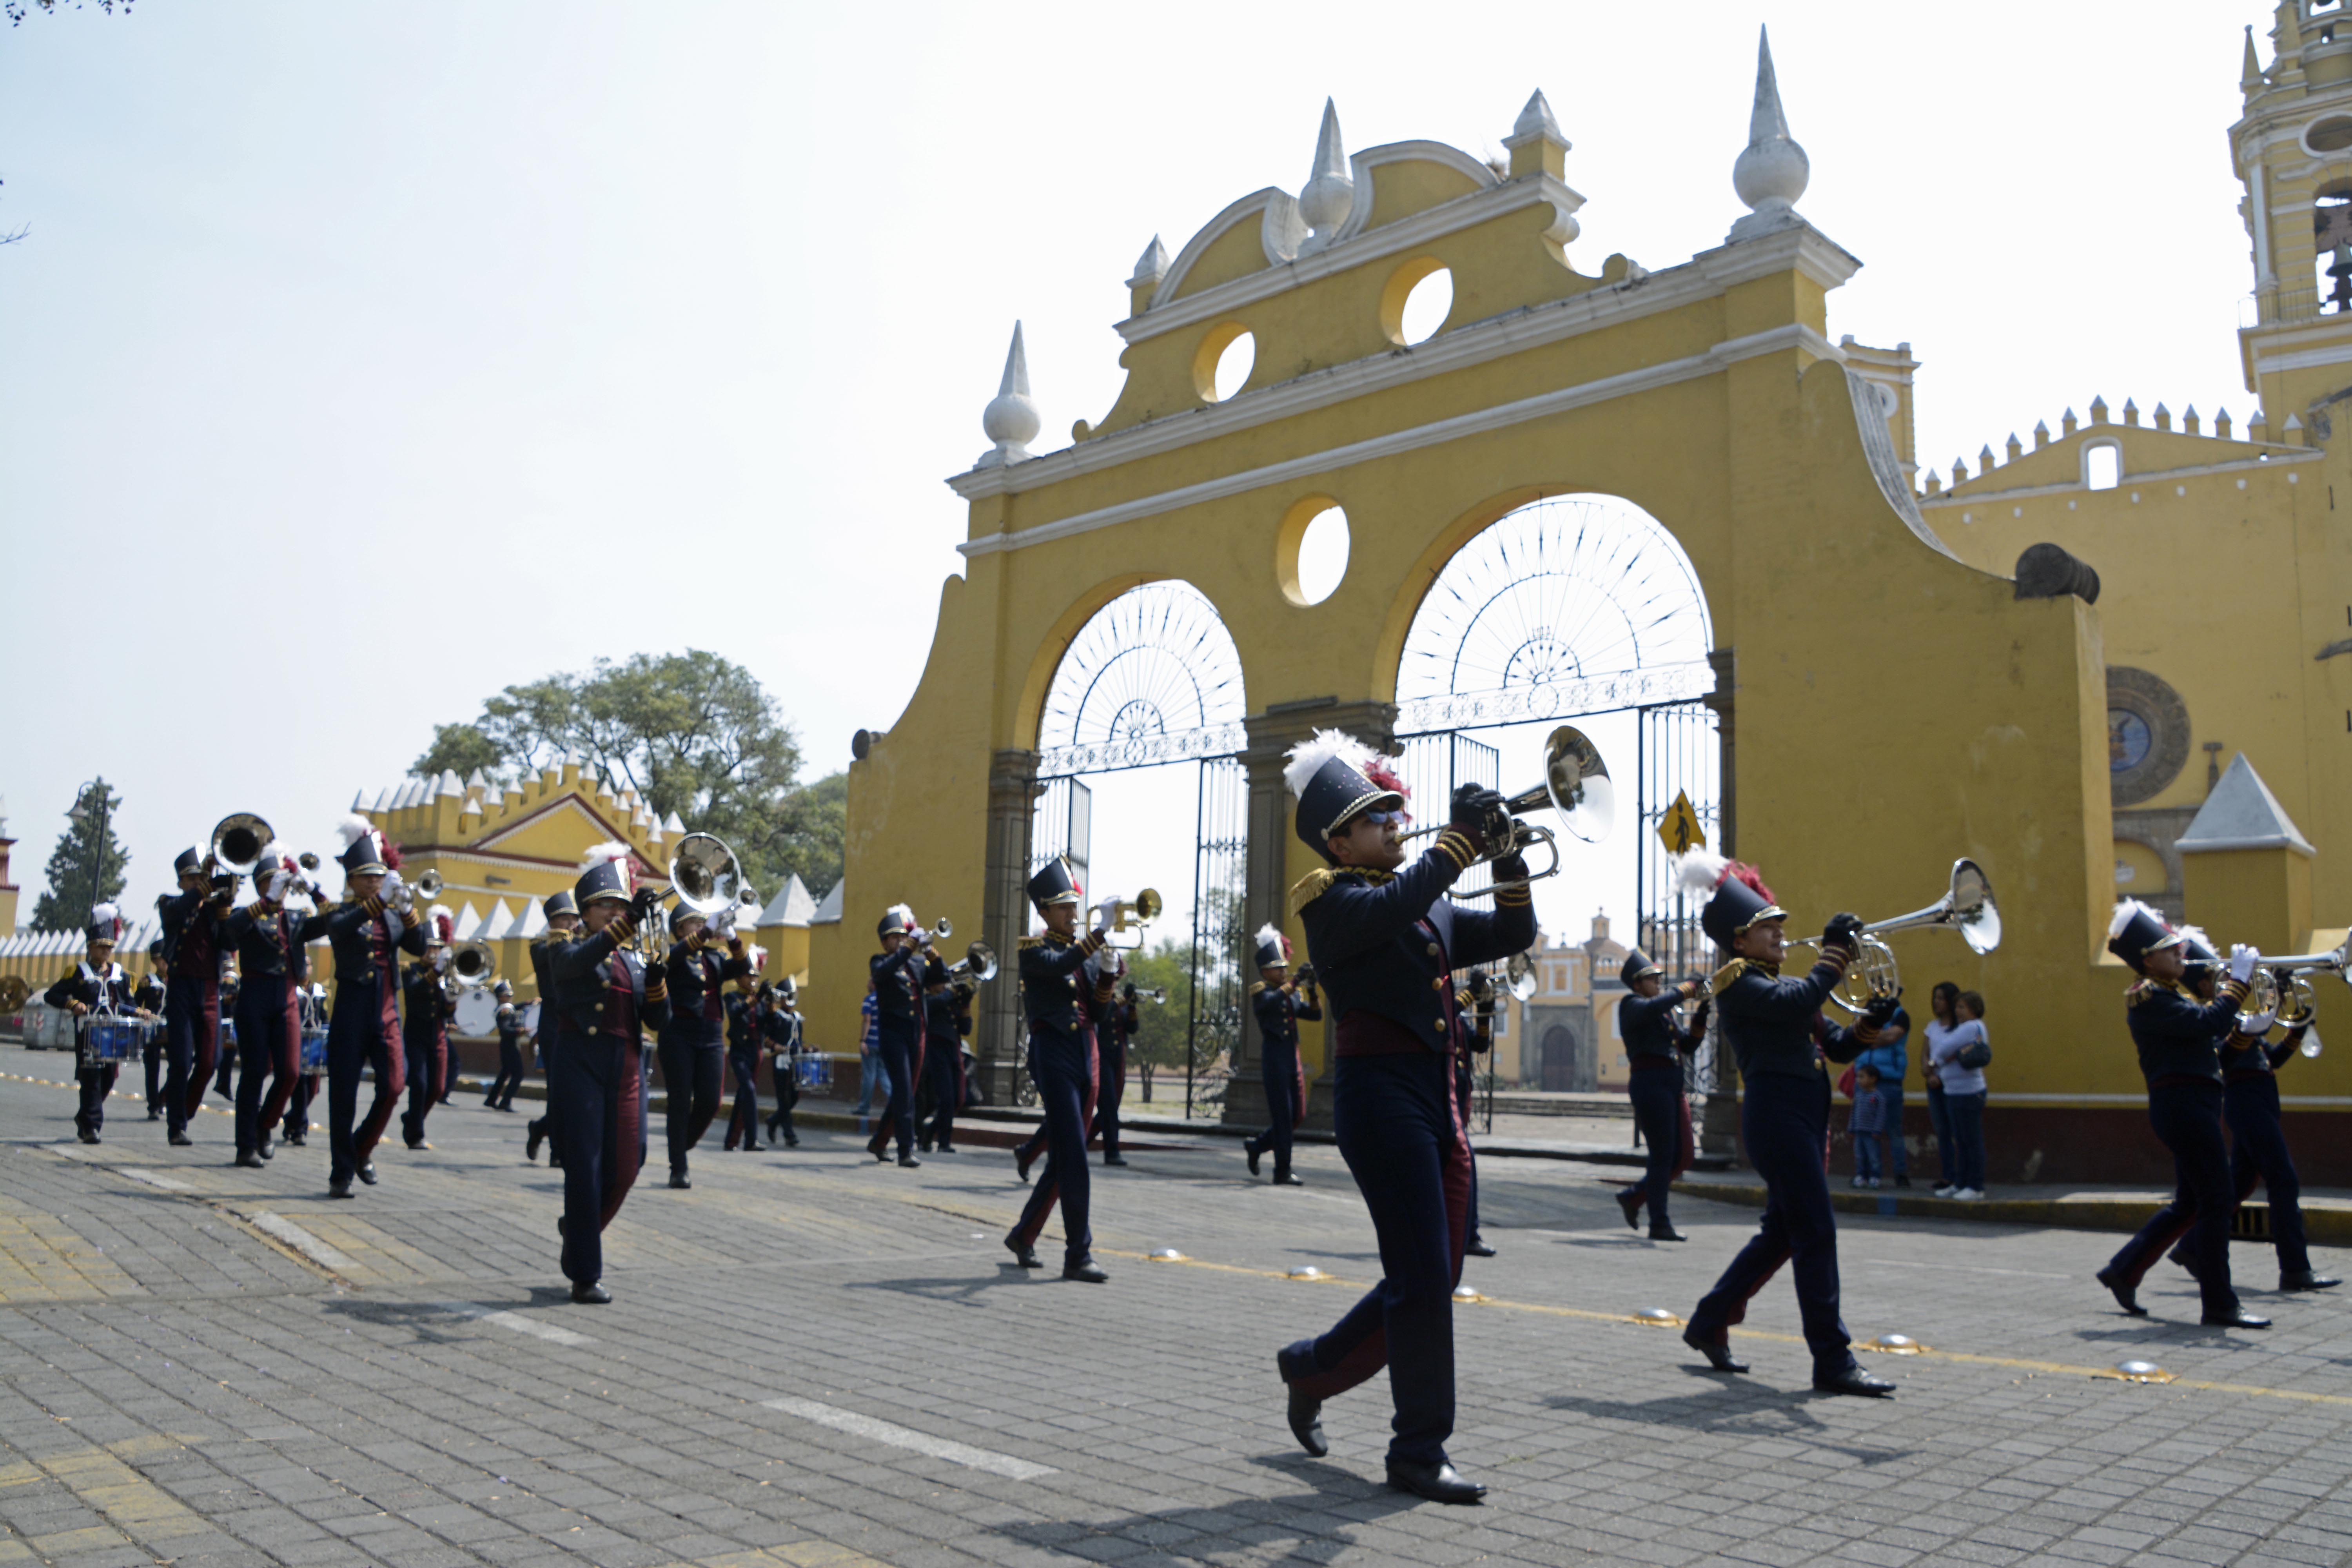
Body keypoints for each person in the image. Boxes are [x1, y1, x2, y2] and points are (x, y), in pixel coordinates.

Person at [1272, 731, 1535, 1505]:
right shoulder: (1334, 901)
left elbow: (1514, 934)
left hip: (1437, 1096)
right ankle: (1419, 1448)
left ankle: (1312, 1365)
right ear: (1337, 839)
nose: (1394, 822)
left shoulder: (1430, 906)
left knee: (1433, 1273)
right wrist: (1458, 841)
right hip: (1380, 1096)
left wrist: (1509, 854)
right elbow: (1394, 902)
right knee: (1423, 1278)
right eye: (1375, 815)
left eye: (1396, 811)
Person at [1675, 848, 1895, 1399]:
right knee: (1815, 1231)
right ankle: (1832, 1359)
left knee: (1783, 1234)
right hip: (1777, 1118)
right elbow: (1801, 995)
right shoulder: (1737, 984)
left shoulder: (1782, 986)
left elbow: (1840, 1047)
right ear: (1739, 942)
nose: (1778, 933)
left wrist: (1871, 1020)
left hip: (1802, 1115)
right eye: (1765, 928)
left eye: (1777, 926)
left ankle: (1709, 1322)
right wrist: (1833, 957)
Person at [2094, 902, 2270, 1328]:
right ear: (2147, 959)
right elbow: (2208, 1024)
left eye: (2178, 949)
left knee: (2192, 1201)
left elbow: (2212, 1054)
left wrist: (2245, 1035)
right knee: (2218, 1199)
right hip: (2184, 1107)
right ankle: (2220, 1304)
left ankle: (2124, 1270)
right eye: (2170, 950)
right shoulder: (2147, 996)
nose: (2181, 955)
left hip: (2193, 1105)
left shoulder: (2172, 996)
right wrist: (2239, 984)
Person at [543, 842, 668, 1303]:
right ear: (586, 913)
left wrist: (656, 984)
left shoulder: (634, 960)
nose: (614, 913)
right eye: (605, 907)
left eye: (620, 905)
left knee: (628, 1165)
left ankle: (578, 1230)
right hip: (580, 1062)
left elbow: (658, 1022)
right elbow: (577, 963)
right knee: (586, 1167)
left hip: (628, 1064)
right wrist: (630, 922)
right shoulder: (566, 948)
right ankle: (585, 1273)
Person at [1004, 857, 1116, 1282]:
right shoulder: (1034, 949)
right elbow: (1055, 966)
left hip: (1087, 1053)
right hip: (1053, 1054)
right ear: (1045, 912)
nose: (1073, 914)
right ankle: (1078, 1253)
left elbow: (1101, 1015)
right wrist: (1099, 937)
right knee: (1075, 1156)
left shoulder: (1082, 955)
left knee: (1066, 1155)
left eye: (1075, 906)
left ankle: (1024, 1235)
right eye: (1064, 907)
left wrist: (1106, 977)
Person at [2190, 996, 2341, 1293]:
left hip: (2259, 1101)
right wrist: (2278, 996)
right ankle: (2295, 1269)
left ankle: (2193, 1245)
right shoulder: (2217, 1013)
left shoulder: (2241, 1020)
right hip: (2246, 1102)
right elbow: (2235, 1050)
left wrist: (2297, 1029)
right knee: (2283, 1179)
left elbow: (2271, 1059)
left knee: (2237, 1184)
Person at [321, 816, 429, 1198]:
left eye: (378, 875)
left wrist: (408, 908)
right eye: (366, 876)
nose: (373, 881)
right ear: (351, 879)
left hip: (386, 1009)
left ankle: (362, 1147)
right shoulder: (339, 912)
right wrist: (381, 900)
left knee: (395, 1085)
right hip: (351, 1009)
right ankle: (341, 1171)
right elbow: (341, 929)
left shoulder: (390, 913)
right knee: (343, 1095)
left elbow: (418, 946)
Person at [219, 849, 331, 1168]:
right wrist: (263, 904)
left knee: (292, 1073)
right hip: (255, 996)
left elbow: (331, 922)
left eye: (281, 882)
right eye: (270, 882)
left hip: (287, 998)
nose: (278, 888)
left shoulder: (295, 919)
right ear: (260, 886)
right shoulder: (248, 914)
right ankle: (245, 1146)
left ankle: (265, 1125)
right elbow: (228, 933)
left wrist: (313, 890)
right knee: (255, 1072)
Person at [1612, 948, 1707, 1241]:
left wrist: (1702, 1014)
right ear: (1637, 984)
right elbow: (1653, 1007)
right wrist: (1688, 988)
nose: (1658, 984)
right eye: (1652, 980)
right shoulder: (1632, 1004)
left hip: (1671, 1087)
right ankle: (1660, 1223)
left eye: (1658, 979)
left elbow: (1687, 1046)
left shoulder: (1662, 1012)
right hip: (1650, 1085)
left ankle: (1634, 1197)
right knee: (1663, 1155)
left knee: (1684, 1156)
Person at [657, 902, 752, 1189]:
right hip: (678, 1035)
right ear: (679, 930)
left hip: (711, 1036)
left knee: (711, 1101)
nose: (700, 927)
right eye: (693, 923)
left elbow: (744, 969)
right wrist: (707, 932)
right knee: (680, 1100)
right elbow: (670, 960)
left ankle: (680, 1146)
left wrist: (732, 935)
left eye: (702, 922)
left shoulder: (713, 958)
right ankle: (679, 1167)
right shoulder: (671, 955)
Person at [48, 905, 146, 1143]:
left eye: (109, 947)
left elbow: (127, 1002)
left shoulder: (121, 974)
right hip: (88, 1033)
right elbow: (52, 995)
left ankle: (85, 1117)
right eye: (101, 947)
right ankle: (92, 1126)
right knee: (90, 1078)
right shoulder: (78, 972)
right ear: (90, 947)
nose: (105, 952)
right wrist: (73, 1004)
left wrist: (140, 1011)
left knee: (109, 1078)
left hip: (114, 1034)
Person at [157, 845, 234, 1147]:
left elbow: (229, 940)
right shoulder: (170, 903)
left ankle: (183, 1110)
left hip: (212, 990)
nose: (198, 883)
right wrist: (204, 889)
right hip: (181, 990)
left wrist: (226, 903)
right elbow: (176, 913)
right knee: (180, 1062)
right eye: (192, 879)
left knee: (210, 1063)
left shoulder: (215, 910)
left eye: (202, 877)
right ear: (180, 883)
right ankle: (176, 1126)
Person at [1243, 926, 1320, 1187]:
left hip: (1293, 1060)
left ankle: (1258, 1145)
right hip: (1275, 1060)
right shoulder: (1261, 992)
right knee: (1283, 1117)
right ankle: (1282, 1170)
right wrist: (1296, 981)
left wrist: (1312, 989)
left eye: (1284, 968)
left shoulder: (1291, 993)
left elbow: (1315, 1015)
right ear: (1265, 971)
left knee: (1297, 1115)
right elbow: (1271, 1003)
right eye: (1278, 968)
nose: (1283, 972)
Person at [866, 906, 929, 1168]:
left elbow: (941, 978)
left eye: (904, 936)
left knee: (906, 1092)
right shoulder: (879, 961)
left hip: (917, 1031)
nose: (901, 941)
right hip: (893, 1034)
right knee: (904, 1091)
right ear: (884, 942)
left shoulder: (915, 963)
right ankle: (906, 1150)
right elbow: (882, 974)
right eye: (895, 938)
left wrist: (931, 952)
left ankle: (879, 1142)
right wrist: (907, 949)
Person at [524, 891, 581, 1167]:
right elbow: (549, 957)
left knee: (575, 1091)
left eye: (573, 918)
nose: (570, 923)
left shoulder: (582, 944)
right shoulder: (540, 947)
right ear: (551, 922)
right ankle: (557, 1151)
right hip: (552, 1021)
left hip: (578, 1018)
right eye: (564, 919)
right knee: (557, 1089)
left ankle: (541, 1128)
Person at [399, 908, 458, 1151]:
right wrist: (436, 973)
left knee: (438, 1088)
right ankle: (416, 1135)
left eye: (436, 948)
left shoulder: (444, 975)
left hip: (438, 1036)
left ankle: (412, 1119)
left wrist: (451, 999)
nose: (433, 952)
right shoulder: (410, 970)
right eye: (429, 948)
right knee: (420, 1085)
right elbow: (415, 992)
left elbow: (446, 1013)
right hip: (416, 1035)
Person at [1926, 991, 1989, 1199]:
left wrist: (1937, 1061)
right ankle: (1961, 1183)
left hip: (1968, 1092)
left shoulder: (1972, 1027)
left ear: (1973, 1009)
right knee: (1961, 1140)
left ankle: (1976, 1186)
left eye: (1962, 1007)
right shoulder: (1964, 1028)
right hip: (1954, 1091)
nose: (1958, 1011)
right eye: (1958, 1007)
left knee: (1971, 1140)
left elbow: (1944, 1048)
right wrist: (1940, 1060)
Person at [1849, 998, 1911, 1187]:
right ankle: (1865, 1174)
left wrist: (1868, 1038)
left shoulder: (1900, 1015)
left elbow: (1893, 1036)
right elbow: (1853, 1035)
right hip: (1863, 1081)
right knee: (1862, 1132)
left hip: (1889, 1081)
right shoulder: (1864, 1012)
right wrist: (1872, 1038)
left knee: (1893, 1130)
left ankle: (1900, 1174)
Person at [918, 952, 969, 1155]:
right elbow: (936, 1003)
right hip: (936, 1050)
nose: (945, 986)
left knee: (957, 1099)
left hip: (953, 1051)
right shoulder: (928, 1000)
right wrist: (952, 993)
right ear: (931, 986)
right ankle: (944, 1142)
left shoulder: (950, 1001)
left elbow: (966, 1029)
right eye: (941, 984)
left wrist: (966, 1003)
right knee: (946, 1098)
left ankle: (929, 1131)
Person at [722, 950, 768, 1152]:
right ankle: (752, 1138)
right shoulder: (732, 997)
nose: (753, 980)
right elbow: (735, 1012)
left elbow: (766, 1025)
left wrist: (772, 1009)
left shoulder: (760, 1001)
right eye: (749, 976)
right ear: (739, 978)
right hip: (740, 1050)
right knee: (748, 1091)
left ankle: (734, 1141)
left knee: (745, 1095)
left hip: (756, 1050)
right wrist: (756, 999)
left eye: (755, 976)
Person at [1918, 982, 1961, 1193]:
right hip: (1934, 1085)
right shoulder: (1933, 1026)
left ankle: (1961, 1177)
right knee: (1942, 1132)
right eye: (1935, 998)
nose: (1937, 1002)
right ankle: (1947, 1176)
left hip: (1953, 1085)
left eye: (1942, 998)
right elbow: (1926, 1052)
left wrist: (1938, 1072)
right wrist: (1928, 1071)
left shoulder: (1960, 1028)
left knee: (1957, 1131)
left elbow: (1955, 1054)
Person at [1092, 978, 1137, 1166]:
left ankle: (1081, 1141)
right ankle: (1112, 1151)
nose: (1114, 985)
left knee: (1110, 1108)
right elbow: (1102, 1013)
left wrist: (1133, 1006)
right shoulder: (1101, 1001)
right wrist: (1124, 999)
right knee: (1109, 1106)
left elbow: (1133, 1028)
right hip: (1101, 1059)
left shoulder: (1120, 1004)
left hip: (1117, 1060)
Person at [763, 979, 804, 1148]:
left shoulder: (797, 1018)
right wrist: (776, 1046)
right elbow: (765, 1039)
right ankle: (789, 1134)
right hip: (780, 1061)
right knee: (783, 1098)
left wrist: (807, 1049)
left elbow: (798, 1041)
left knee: (794, 1097)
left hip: (795, 1061)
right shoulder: (776, 1017)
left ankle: (773, 1121)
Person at [134, 941, 168, 1120]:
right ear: (156, 961)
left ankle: (165, 1096)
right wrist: (142, 1012)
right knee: (152, 1067)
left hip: (173, 1027)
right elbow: (134, 1004)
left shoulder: (179, 980)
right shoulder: (148, 982)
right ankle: (153, 1105)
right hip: (152, 1029)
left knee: (182, 1065)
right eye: (163, 959)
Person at [485, 980, 525, 1111]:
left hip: (507, 1046)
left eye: (510, 995)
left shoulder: (507, 1009)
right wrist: (520, 1031)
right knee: (518, 1074)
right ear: (501, 997)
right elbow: (505, 1029)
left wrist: (527, 1003)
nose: (510, 997)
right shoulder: (505, 1011)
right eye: (507, 995)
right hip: (510, 1047)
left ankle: (491, 1100)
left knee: (505, 1073)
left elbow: (514, 1008)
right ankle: (506, 1102)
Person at [1848, 1064, 1887, 1188]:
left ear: (1873, 1079)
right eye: (1858, 1077)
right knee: (1859, 1155)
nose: (1858, 1080)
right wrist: (1851, 1127)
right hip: (1859, 1132)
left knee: (1873, 1156)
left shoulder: (1878, 1097)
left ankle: (1875, 1177)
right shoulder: (1858, 1096)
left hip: (1871, 1133)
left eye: (1862, 1077)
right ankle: (1861, 1176)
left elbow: (1881, 1115)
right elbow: (1853, 1113)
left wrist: (1877, 1130)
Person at [853, 985, 887, 1116]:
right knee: (884, 1076)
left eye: (870, 982)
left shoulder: (869, 1000)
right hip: (883, 1044)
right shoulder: (886, 1000)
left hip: (871, 1043)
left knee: (869, 1076)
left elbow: (867, 1020)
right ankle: (895, 1103)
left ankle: (864, 1107)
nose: (867, 985)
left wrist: (863, 1041)